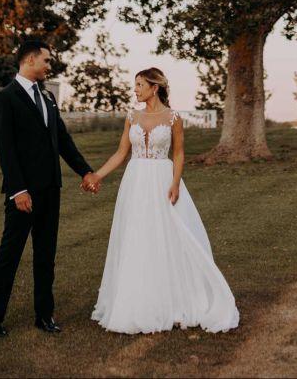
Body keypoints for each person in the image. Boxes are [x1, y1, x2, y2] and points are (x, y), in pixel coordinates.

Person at [88, 67, 240, 334]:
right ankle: (135, 301)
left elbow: (179, 154)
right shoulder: (132, 116)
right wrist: (97, 175)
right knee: (137, 236)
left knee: (167, 234)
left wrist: (175, 182)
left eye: (139, 85)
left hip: (162, 179)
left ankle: (175, 299)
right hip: (136, 181)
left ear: (154, 87)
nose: (135, 90)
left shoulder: (173, 118)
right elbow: (121, 153)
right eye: (135, 85)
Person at [0, 37, 101, 337]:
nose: (50, 65)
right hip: (23, 193)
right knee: (10, 254)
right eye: (46, 60)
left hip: (51, 189)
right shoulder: (4, 98)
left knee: (46, 255)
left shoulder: (48, 98)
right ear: (30, 59)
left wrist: (85, 171)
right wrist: (18, 190)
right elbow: (5, 150)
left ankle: (44, 315)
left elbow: (63, 141)